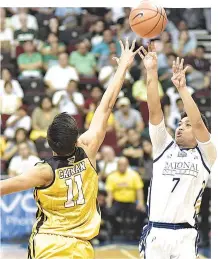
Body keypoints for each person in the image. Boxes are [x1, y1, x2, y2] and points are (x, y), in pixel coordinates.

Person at [0, 39, 143, 259]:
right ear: (76, 139)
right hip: (80, 247)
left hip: (47, 244)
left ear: (49, 143)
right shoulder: (89, 149)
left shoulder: (44, 171)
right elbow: (106, 106)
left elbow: (5, 187)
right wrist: (123, 67)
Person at [137, 43, 216, 259]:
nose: (181, 127)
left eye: (187, 125)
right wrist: (151, 71)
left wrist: (182, 88)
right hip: (157, 232)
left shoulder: (206, 154)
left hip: (185, 235)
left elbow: (199, 123)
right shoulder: (164, 146)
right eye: (180, 123)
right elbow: (154, 110)